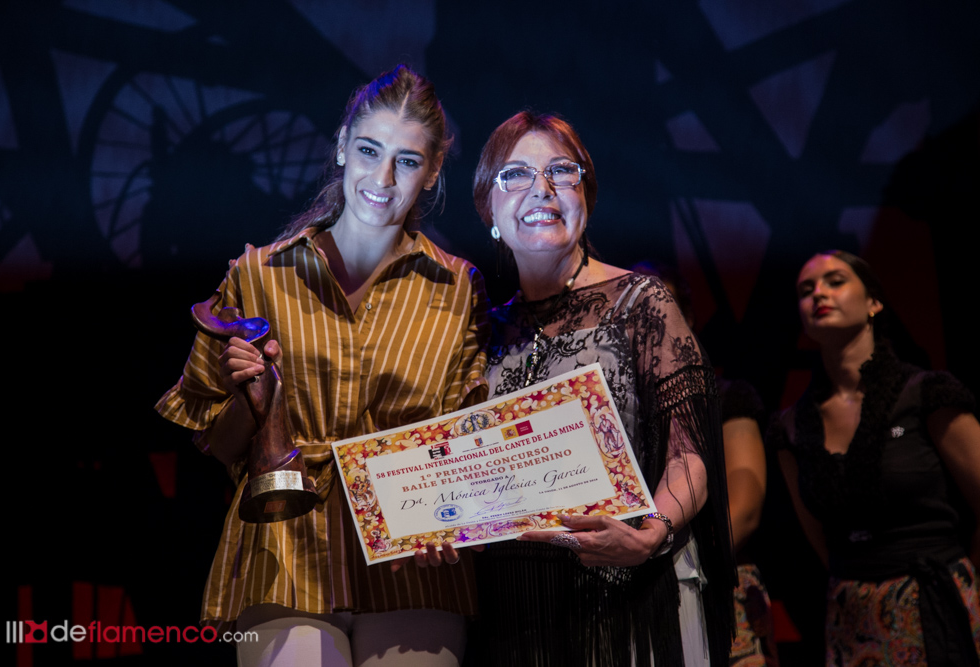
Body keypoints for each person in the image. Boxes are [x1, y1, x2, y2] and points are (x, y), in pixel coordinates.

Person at [155, 65, 489, 667]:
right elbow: (217, 445)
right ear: (341, 146)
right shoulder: (257, 275)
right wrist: (249, 398)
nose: (382, 179)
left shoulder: (457, 286)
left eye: (407, 161)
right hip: (285, 545)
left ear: (434, 169)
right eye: (369, 151)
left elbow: (466, 438)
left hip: (411, 554)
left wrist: (457, 513)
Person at [469, 111, 736, 667]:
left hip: (629, 596)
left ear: (585, 197)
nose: (542, 189)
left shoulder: (640, 302)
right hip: (518, 608)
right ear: (488, 210)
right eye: (515, 174)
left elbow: (691, 454)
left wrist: (651, 534)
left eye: (561, 172)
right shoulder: (482, 331)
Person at [768, 250, 980, 666]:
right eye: (806, 290)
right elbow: (819, 539)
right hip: (851, 616)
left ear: (874, 302)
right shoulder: (790, 427)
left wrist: (967, 584)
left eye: (835, 281)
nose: (818, 294)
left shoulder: (926, 393)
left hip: (940, 601)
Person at [632, 261, 778, 666]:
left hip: (717, 577)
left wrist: (660, 554)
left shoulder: (727, 396)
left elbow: (744, 511)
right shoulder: (622, 409)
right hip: (640, 580)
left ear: (689, 319)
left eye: (662, 310)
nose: (649, 327)